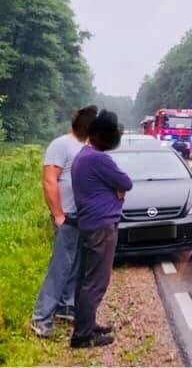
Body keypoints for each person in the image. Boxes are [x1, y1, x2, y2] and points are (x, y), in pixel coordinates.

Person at [30, 105, 98, 338]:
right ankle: (40, 318)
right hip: (66, 217)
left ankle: (65, 307)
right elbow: (50, 181)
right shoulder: (61, 144)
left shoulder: (86, 146)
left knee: (75, 265)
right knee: (60, 268)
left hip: (82, 218)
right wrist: (58, 214)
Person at [70, 109, 133, 348]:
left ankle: (86, 324)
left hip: (89, 225)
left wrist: (114, 190)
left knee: (84, 280)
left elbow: (118, 185)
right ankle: (83, 336)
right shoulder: (99, 159)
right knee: (96, 281)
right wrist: (116, 191)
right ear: (97, 135)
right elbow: (126, 183)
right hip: (101, 227)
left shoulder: (83, 156)